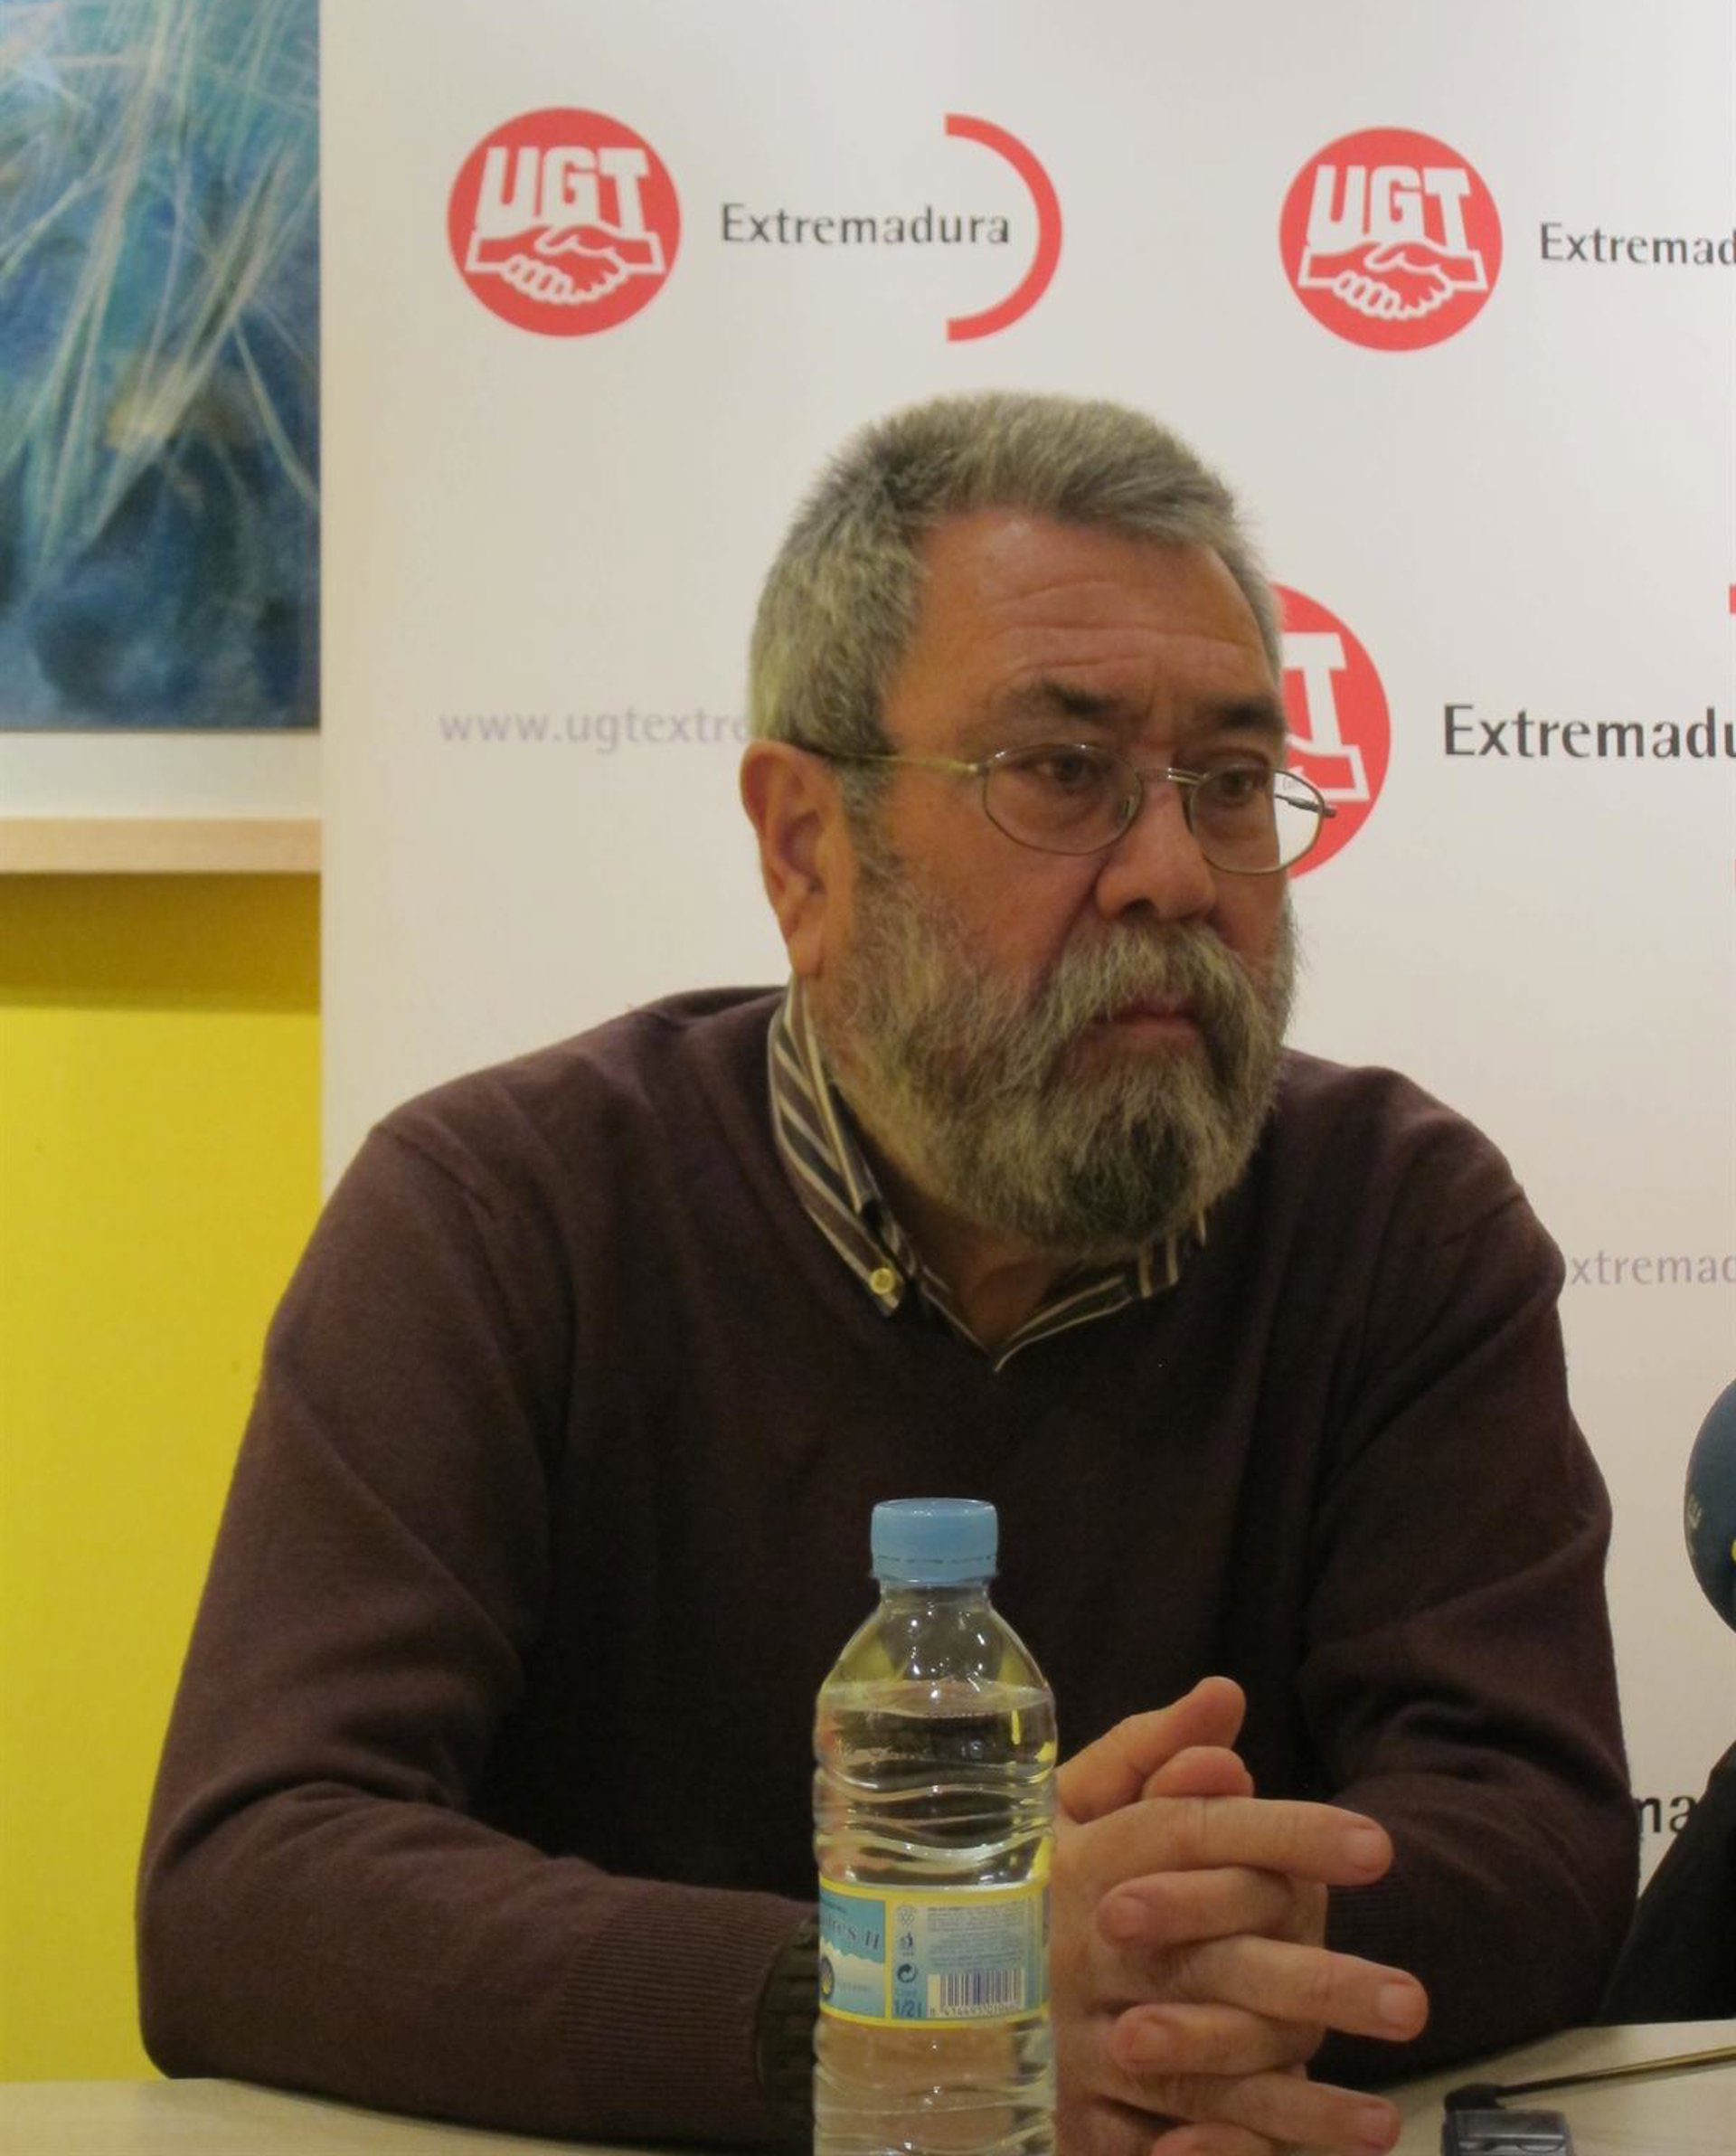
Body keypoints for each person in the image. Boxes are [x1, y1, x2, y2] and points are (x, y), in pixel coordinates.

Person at [138, 392, 1637, 2156]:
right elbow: (257, 1873)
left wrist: (1191, 1943)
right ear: (805, 845)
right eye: (1063, 772)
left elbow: (1534, 1834)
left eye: (1232, 785)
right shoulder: (500, 1218)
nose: (1174, 874)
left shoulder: (1400, 1224)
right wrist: (896, 2009)